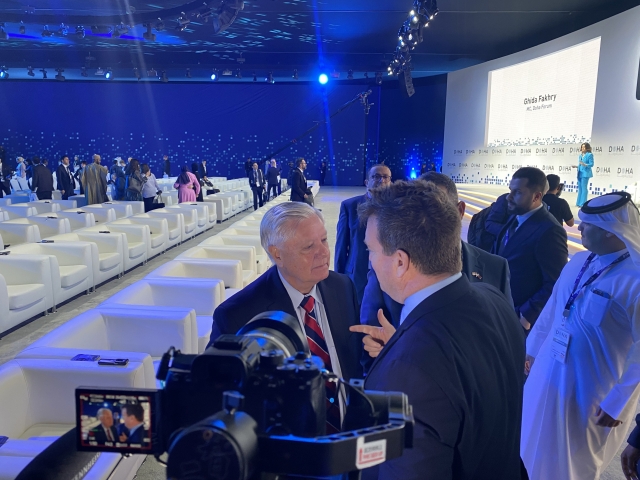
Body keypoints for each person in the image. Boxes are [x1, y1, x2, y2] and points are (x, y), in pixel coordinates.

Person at [351, 180, 525, 479]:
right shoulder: (493, 299)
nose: (370, 260)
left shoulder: (409, 369)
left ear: (401, 262)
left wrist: (406, 355)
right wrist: (404, 343)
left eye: (372, 250)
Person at [210, 203, 363, 431]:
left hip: (349, 436)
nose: (323, 252)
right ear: (277, 254)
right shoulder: (237, 315)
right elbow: (219, 398)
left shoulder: (342, 287)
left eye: (323, 239)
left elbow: (353, 362)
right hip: (287, 450)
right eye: (308, 246)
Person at [521, 192, 640, 480]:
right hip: (546, 375)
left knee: (574, 463)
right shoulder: (579, 262)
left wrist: (617, 403)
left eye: (588, 225)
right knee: (529, 443)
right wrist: (533, 348)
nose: (579, 228)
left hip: (591, 393)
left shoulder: (635, 279)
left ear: (613, 231)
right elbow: (554, 306)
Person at [361, 172, 514, 339]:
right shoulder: (386, 265)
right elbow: (371, 331)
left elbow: (506, 337)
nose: (426, 219)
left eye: (439, 209)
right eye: (415, 211)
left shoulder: (496, 268)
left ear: (460, 210)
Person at [493, 167, 568, 331]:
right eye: (510, 190)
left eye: (518, 192)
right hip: (500, 309)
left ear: (537, 196)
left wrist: (526, 315)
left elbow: (556, 281)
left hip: (519, 321)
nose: (509, 197)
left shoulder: (550, 231)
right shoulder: (516, 217)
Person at [335, 164, 392, 303]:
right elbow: (341, 245)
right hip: (357, 276)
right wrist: (337, 279)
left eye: (385, 177)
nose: (381, 180)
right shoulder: (350, 206)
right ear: (367, 182)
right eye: (376, 176)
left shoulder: (397, 208)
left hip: (388, 277)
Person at [574, 142, 594, 207]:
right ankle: (578, 202)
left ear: (587, 148)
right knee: (580, 188)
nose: (582, 148)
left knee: (584, 188)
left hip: (585, 173)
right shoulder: (580, 155)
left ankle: (583, 203)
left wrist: (585, 164)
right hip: (580, 173)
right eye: (582, 147)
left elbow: (591, 164)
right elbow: (580, 165)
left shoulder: (589, 155)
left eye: (584, 147)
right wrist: (576, 166)